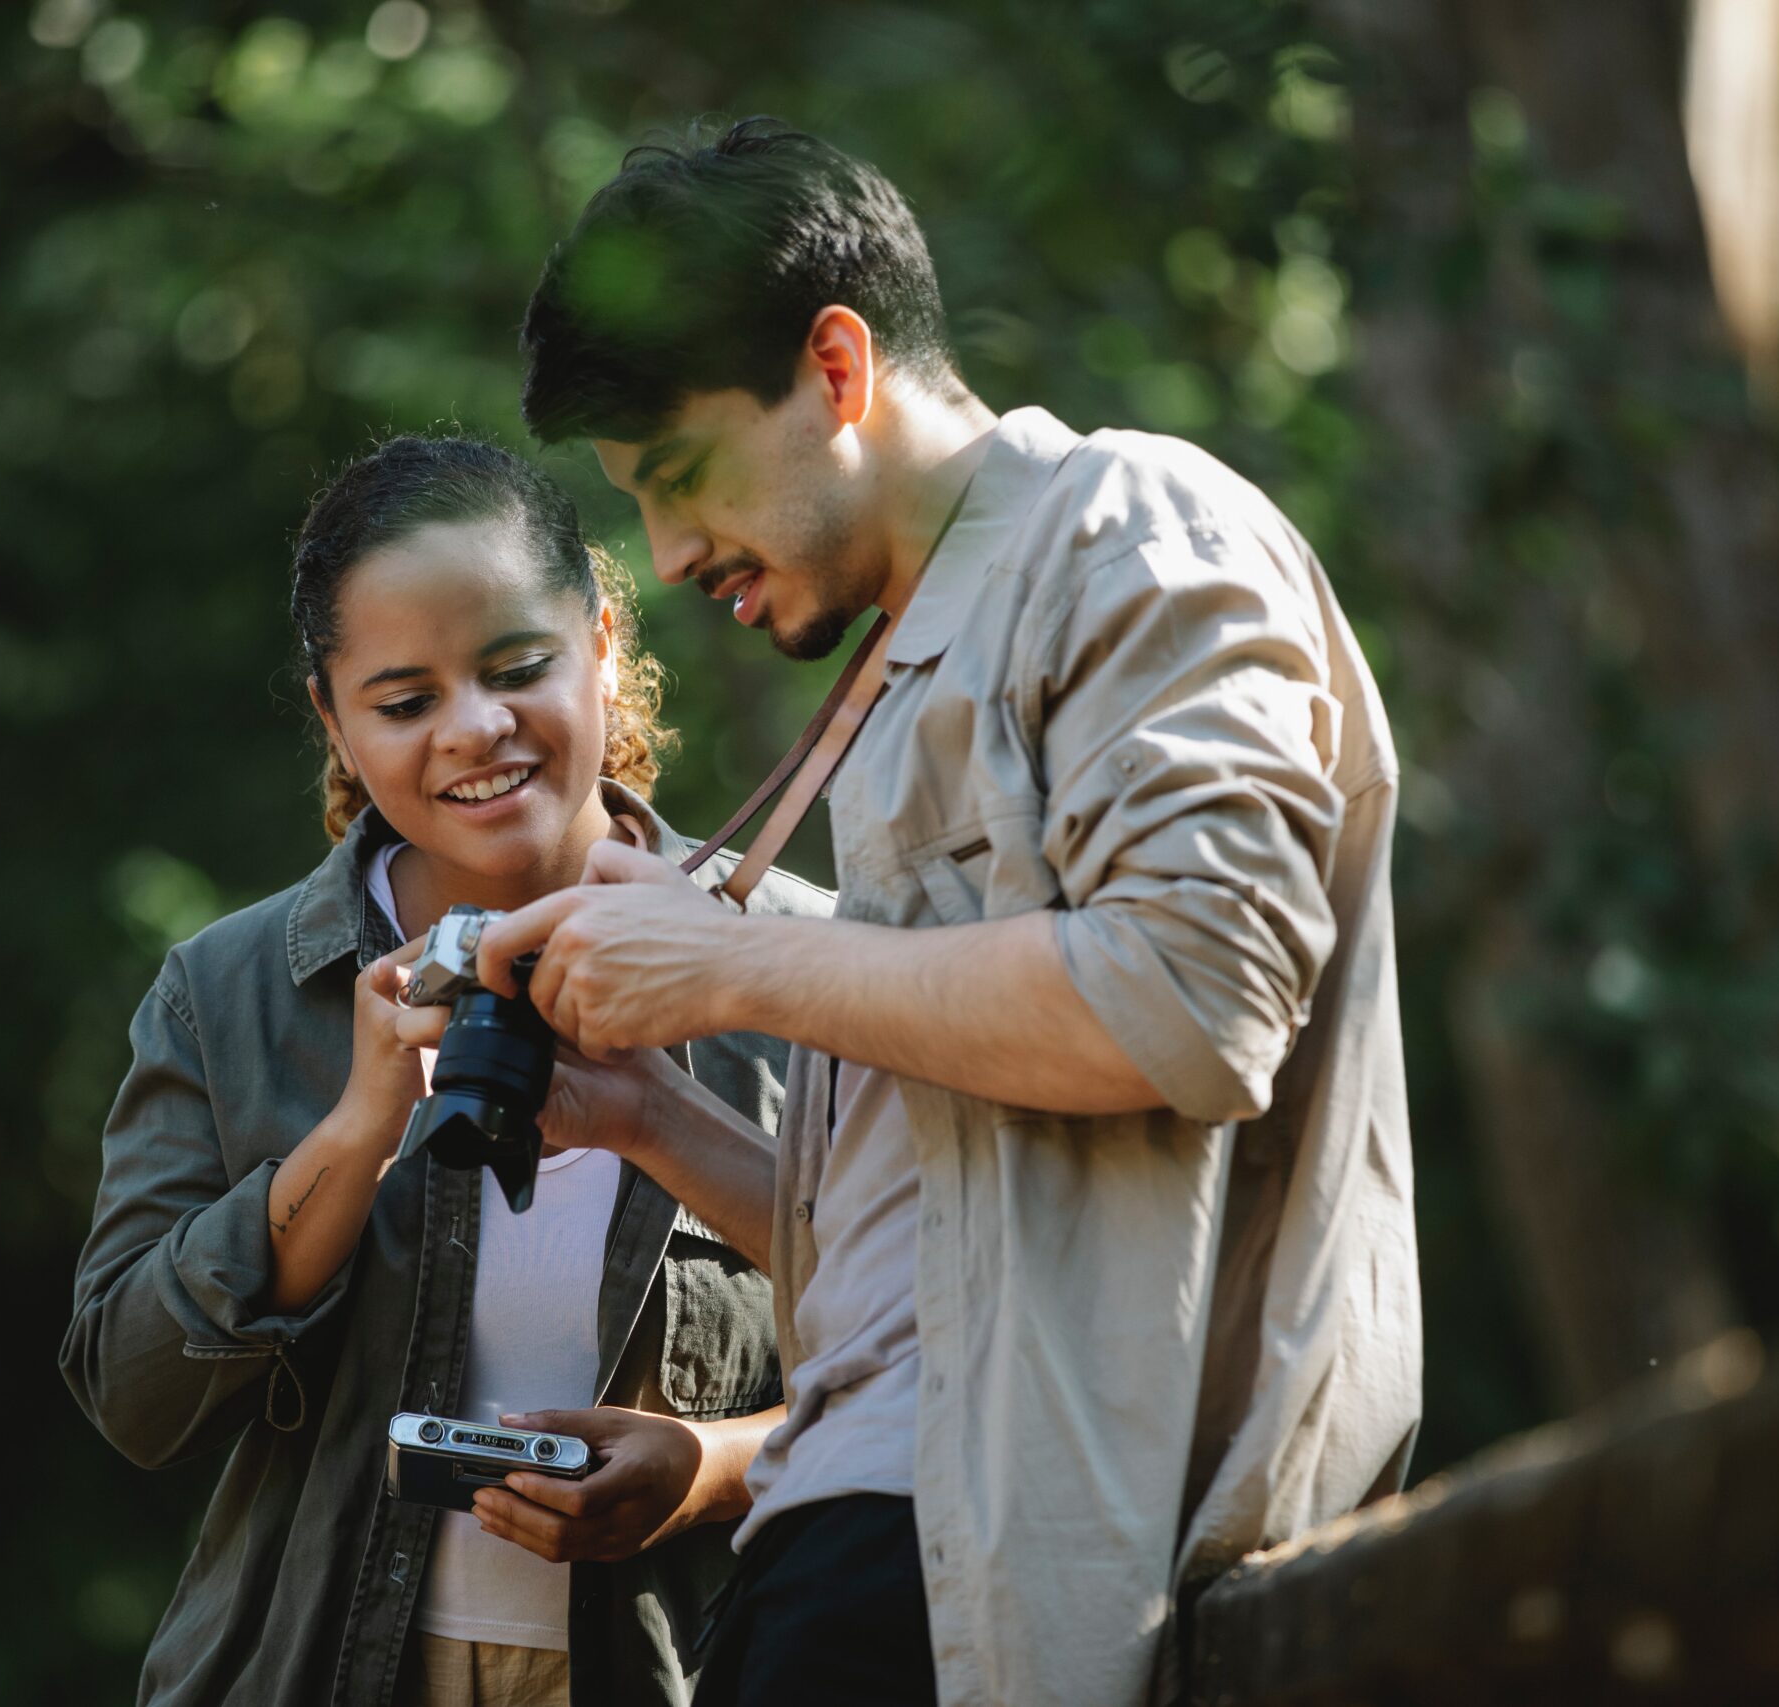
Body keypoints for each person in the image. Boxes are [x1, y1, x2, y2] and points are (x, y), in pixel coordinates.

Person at [465, 120, 1424, 1707]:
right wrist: (644, 1110)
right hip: (859, 1534)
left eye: (686, 477)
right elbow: (944, 1245)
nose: (672, 550)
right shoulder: (903, 667)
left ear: (838, 370)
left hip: (996, 1546)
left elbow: (1194, 996)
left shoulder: (1132, 525)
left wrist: (737, 960)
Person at [58, 435, 830, 1707]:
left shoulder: (803, 966)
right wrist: (358, 1131)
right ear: (334, 718)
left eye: (517, 668)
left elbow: (953, 1350)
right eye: (405, 701)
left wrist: (713, 1467)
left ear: (598, 641)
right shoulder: (227, 994)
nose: (475, 731)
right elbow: (136, 1400)